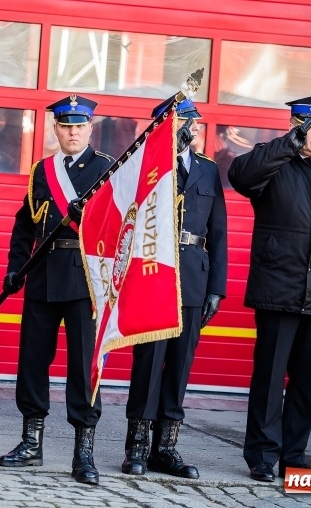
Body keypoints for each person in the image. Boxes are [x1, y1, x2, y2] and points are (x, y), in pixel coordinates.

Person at [228, 95, 311, 482]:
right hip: (278, 288)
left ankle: (295, 455)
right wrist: (288, 145)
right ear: (295, 126)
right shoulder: (275, 161)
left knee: (307, 383)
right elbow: (240, 176)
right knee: (270, 378)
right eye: (310, 127)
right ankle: (262, 456)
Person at [0, 94, 114, 485]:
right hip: (43, 275)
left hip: (85, 279)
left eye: (79, 126)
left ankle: (84, 452)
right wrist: (15, 267)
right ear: (56, 129)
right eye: (66, 126)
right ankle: (31, 443)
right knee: (32, 362)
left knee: (83, 367)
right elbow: (24, 224)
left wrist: (89, 217)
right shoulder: (42, 171)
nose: (72, 133)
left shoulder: (107, 169)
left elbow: (119, 227)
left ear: (90, 129)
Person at [121, 98, 227, 479]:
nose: (194, 127)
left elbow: (219, 233)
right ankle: (137, 446)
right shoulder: (146, 166)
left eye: (195, 121)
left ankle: (165, 448)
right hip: (154, 274)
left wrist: (217, 288)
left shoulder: (207, 170)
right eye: (186, 121)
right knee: (149, 363)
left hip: (194, 275)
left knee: (180, 364)